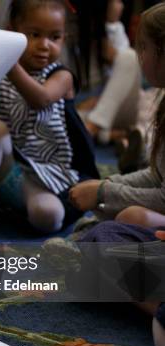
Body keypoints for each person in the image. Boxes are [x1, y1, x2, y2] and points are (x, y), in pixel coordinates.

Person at [0, 0, 97, 233]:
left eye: (55, 37)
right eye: (35, 34)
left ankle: (9, 209)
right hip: (6, 168)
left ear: (64, 38)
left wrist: (8, 62)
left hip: (47, 177)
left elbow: (40, 99)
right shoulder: (4, 71)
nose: (44, 45)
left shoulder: (62, 77)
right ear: (13, 33)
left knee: (48, 217)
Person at [69, 2, 165, 229]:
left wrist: (104, 193)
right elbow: (157, 177)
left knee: (133, 218)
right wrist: (106, 185)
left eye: (144, 47)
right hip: (94, 109)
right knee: (116, 222)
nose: (140, 55)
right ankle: (107, 134)